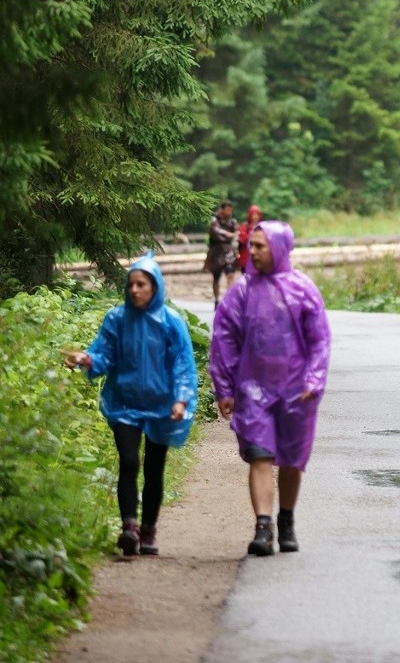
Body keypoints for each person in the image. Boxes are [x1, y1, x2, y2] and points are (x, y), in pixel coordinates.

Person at [63, 253, 198, 557]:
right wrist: (86, 359)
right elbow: (104, 355)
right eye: (131, 284)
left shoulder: (170, 322)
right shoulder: (117, 319)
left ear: (155, 287)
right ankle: (129, 528)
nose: (135, 290)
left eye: (142, 284)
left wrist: (181, 399)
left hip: (162, 406)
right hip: (124, 404)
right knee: (128, 462)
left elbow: (182, 365)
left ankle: (149, 529)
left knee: (154, 469)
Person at [209, 221, 331, 557]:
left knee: (291, 460)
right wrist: (225, 387)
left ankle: (286, 520)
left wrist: (313, 379)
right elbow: (224, 341)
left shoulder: (303, 290)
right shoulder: (242, 293)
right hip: (253, 390)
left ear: (278, 248)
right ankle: (263, 527)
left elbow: (319, 340)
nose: (255, 252)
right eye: (254, 246)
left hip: (296, 391)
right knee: (260, 455)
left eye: (261, 246)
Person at [205, 198, 239, 304]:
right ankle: (216, 300)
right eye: (227, 210)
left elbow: (237, 233)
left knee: (230, 274)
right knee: (216, 277)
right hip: (217, 253)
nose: (229, 212)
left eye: (230, 210)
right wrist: (228, 235)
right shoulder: (214, 220)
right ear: (222, 209)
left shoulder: (232, 221)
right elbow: (216, 233)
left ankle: (229, 299)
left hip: (229, 252)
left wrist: (232, 236)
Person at [237, 203, 263, 275]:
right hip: (246, 258)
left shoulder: (262, 226)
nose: (255, 217)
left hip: (259, 258)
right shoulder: (245, 226)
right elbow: (242, 239)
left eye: (257, 215)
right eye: (253, 214)